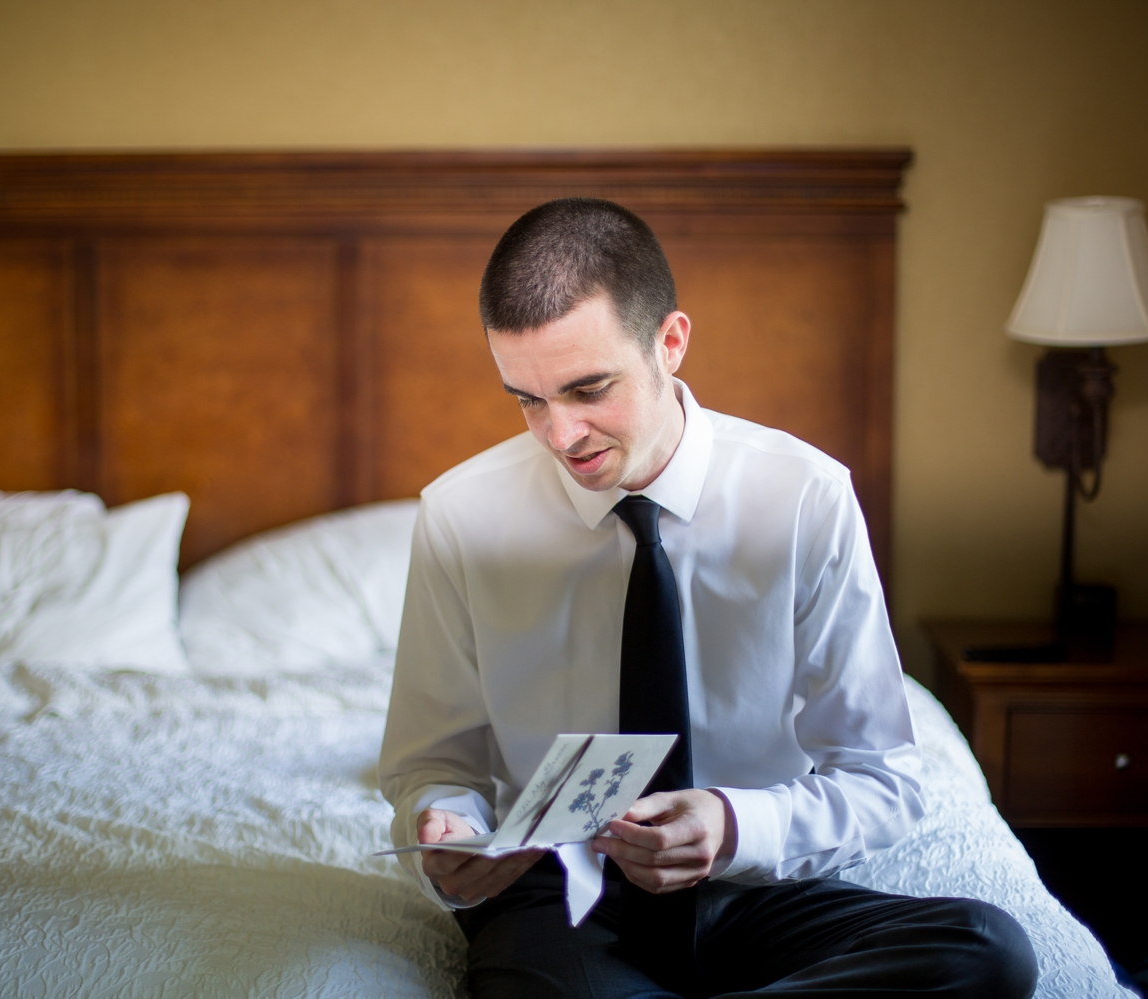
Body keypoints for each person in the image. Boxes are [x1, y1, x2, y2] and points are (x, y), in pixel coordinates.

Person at [378, 197, 1037, 998]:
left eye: (589, 389)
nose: (560, 435)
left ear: (671, 341)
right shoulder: (461, 515)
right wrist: (446, 827)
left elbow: (884, 780)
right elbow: (435, 764)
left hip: (755, 889)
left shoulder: (805, 499)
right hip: (566, 899)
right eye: (527, 398)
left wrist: (732, 826)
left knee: (987, 951)